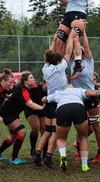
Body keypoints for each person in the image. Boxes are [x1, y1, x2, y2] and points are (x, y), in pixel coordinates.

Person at [42, 84, 100, 172]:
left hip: (63, 110)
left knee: (60, 138)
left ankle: (63, 155)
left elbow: (44, 99)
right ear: (73, 88)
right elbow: (90, 93)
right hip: (79, 108)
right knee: (83, 137)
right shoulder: (79, 90)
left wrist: (44, 99)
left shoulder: (58, 93)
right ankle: (84, 165)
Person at [33, 32, 74, 168]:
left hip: (48, 104)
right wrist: (71, 38)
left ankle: (38, 154)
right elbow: (68, 53)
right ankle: (48, 157)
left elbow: (48, 55)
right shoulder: (59, 68)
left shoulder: (46, 68)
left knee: (47, 131)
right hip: (58, 103)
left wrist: (54, 40)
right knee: (56, 133)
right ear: (57, 62)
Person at [69, 28, 100, 163]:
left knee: (95, 127)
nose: (77, 54)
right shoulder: (72, 63)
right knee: (81, 127)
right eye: (75, 53)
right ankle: (79, 150)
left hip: (90, 96)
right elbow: (72, 47)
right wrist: (73, 35)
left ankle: (99, 152)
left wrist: (83, 31)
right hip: (78, 97)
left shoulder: (89, 61)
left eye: (80, 52)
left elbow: (86, 46)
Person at [53, 0, 97, 77]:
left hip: (79, 13)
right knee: (59, 39)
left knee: (75, 38)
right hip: (68, 14)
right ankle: (58, 66)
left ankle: (78, 66)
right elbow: (65, 0)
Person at [0, 71, 44, 165]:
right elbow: (30, 104)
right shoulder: (23, 90)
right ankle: (14, 158)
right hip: (7, 113)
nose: (33, 79)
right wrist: (43, 108)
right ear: (25, 81)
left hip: (12, 113)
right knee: (22, 132)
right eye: (31, 78)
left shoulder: (25, 87)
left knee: (13, 136)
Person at [24, 78, 47, 160]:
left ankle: (45, 152)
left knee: (45, 130)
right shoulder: (35, 87)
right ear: (44, 82)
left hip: (42, 110)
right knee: (36, 128)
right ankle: (33, 149)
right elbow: (23, 91)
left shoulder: (51, 91)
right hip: (31, 109)